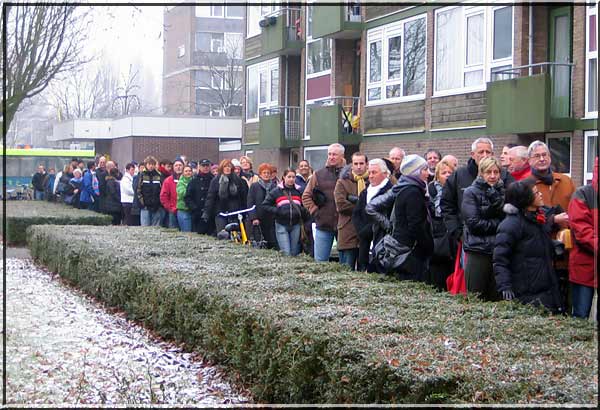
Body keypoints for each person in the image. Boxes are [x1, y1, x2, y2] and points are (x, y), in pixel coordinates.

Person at [494, 179, 564, 313]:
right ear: (525, 199)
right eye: (536, 193)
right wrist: (505, 287)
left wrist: (553, 246)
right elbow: (500, 259)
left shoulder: (538, 219)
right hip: (526, 292)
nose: (541, 195)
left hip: (546, 290)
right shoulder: (511, 225)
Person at [366, 155, 433, 280]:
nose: (428, 173)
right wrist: (428, 245)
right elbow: (415, 225)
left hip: (405, 246)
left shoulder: (407, 189)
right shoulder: (412, 192)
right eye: (424, 169)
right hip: (408, 249)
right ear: (415, 172)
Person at [441, 137, 514, 244]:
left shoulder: (504, 175)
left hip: (500, 238)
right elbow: (447, 205)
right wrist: (457, 232)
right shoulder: (459, 175)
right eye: (481, 152)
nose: (485, 155)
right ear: (473, 154)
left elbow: (513, 202)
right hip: (469, 240)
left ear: (492, 154)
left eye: (488, 152)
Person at [461, 157, 505, 301]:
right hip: (478, 250)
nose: (492, 176)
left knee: (497, 298)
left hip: (498, 250)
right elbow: (474, 224)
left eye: (496, 172)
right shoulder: (470, 192)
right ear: (481, 173)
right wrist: (500, 225)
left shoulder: (503, 192)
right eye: (488, 172)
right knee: (476, 297)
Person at [302, 143, 346, 262]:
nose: (331, 157)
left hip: (344, 226)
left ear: (342, 156)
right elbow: (306, 196)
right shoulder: (318, 174)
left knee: (346, 266)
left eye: (335, 154)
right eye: (329, 154)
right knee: (320, 262)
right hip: (323, 224)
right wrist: (316, 211)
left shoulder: (349, 174)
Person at [567, 157, 598, 319]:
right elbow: (582, 232)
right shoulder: (583, 194)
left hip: (584, 264)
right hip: (584, 266)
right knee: (580, 318)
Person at [352, 158, 394, 272]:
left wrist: (370, 230)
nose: (370, 176)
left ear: (385, 174)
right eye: (369, 172)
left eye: (374, 172)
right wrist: (361, 230)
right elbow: (356, 213)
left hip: (382, 241)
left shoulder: (390, 192)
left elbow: (388, 216)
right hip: (364, 241)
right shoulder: (365, 192)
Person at [262, 169, 310, 256]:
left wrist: (301, 210)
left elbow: (306, 205)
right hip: (281, 224)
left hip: (296, 224)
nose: (291, 179)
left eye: (293, 177)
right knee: (286, 253)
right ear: (284, 177)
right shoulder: (276, 191)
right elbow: (265, 205)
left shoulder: (299, 191)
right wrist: (278, 211)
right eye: (289, 177)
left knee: (294, 252)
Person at [334, 152, 368, 270]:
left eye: (361, 163)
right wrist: (363, 207)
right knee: (347, 270)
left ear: (366, 165)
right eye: (356, 163)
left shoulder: (371, 181)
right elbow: (341, 205)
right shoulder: (342, 182)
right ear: (351, 165)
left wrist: (355, 202)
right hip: (348, 230)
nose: (359, 166)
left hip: (366, 232)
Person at [427, 158, 457, 290]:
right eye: (444, 173)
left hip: (452, 234)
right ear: (437, 175)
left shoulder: (456, 190)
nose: (447, 175)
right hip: (437, 235)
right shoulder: (431, 190)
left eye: (450, 172)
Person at [203, 159, 249, 233]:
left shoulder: (238, 181)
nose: (227, 168)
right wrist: (206, 213)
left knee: (237, 234)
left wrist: (246, 212)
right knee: (223, 234)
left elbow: (244, 197)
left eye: (229, 166)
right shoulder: (216, 181)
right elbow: (210, 197)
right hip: (221, 212)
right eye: (225, 166)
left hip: (236, 212)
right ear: (222, 168)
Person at [247, 163, 278, 249]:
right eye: (264, 173)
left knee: (272, 242)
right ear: (260, 174)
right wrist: (254, 217)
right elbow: (250, 202)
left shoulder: (274, 187)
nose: (266, 175)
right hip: (258, 218)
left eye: (268, 173)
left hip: (271, 218)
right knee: (259, 242)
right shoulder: (254, 186)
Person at [185, 159, 214, 235]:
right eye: (203, 166)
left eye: (207, 165)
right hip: (198, 215)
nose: (205, 167)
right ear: (199, 167)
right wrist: (194, 209)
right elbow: (188, 197)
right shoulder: (194, 181)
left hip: (211, 215)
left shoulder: (214, 180)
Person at [137, 156, 164, 226]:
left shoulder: (159, 175)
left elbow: (162, 190)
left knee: (156, 228)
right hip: (145, 207)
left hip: (156, 207)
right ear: (146, 165)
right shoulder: (141, 175)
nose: (151, 166)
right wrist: (142, 203)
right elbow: (138, 190)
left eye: (153, 164)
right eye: (149, 164)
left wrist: (159, 203)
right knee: (145, 227)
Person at [160, 158, 184, 229]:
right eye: (176, 165)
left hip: (185, 211)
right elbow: (163, 196)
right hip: (173, 212)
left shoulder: (188, 179)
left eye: (180, 165)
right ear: (173, 167)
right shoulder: (168, 180)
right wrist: (170, 208)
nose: (178, 167)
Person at [176, 165, 194, 232]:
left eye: (189, 171)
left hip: (192, 210)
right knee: (186, 232)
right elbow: (182, 193)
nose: (188, 172)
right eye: (186, 171)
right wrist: (191, 192)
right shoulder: (180, 182)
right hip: (183, 210)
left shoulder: (194, 181)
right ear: (183, 173)